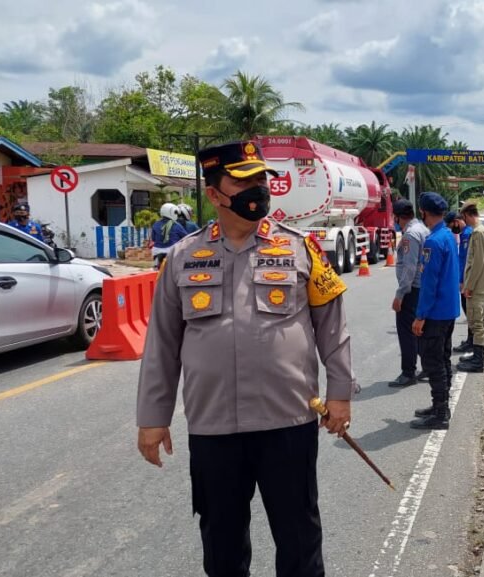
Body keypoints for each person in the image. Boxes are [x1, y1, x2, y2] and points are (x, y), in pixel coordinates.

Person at [136, 140, 355, 577]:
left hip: (288, 423)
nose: (259, 188)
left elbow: (333, 327)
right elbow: (161, 343)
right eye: (246, 181)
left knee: (299, 538)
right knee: (222, 543)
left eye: (262, 179)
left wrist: (341, 393)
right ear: (215, 193)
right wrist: (152, 417)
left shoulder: (302, 248)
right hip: (213, 428)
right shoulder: (182, 257)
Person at [411, 192, 461, 430]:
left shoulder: (433, 241)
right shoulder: (448, 236)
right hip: (449, 309)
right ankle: (441, 405)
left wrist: (420, 315)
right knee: (442, 359)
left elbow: (429, 283)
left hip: (436, 312)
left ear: (423, 212)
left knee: (433, 363)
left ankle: (440, 413)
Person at [389, 198, 430, 388]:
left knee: (406, 332)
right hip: (421, 287)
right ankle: (428, 366)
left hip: (412, 289)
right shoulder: (422, 229)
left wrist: (400, 294)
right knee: (418, 330)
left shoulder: (410, 235)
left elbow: (409, 267)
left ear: (397, 217)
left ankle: (408, 372)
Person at [458, 202, 484, 373]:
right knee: (480, 322)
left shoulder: (478, 233)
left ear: (468, 215)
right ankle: (479, 357)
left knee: (476, 323)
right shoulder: (483, 231)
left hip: (476, 286)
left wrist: (469, 286)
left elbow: (477, 263)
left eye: (463, 217)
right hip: (480, 285)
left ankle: (478, 361)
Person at [449, 211, 474, 354]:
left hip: (466, 281)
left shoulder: (467, 234)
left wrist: (463, 281)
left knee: (470, 311)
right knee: (468, 311)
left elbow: (467, 261)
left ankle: (472, 342)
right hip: (464, 279)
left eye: (453, 225)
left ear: (457, 221)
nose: (453, 228)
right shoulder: (465, 233)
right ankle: (470, 340)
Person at [151, 202, 188, 270]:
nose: (176, 215)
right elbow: (186, 237)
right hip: (172, 251)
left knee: (155, 269)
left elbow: (153, 239)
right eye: (175, 212)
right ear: (171, 212)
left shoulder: (155, 224)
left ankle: (155, 267)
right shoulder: (176, 225)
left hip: (157, 251)